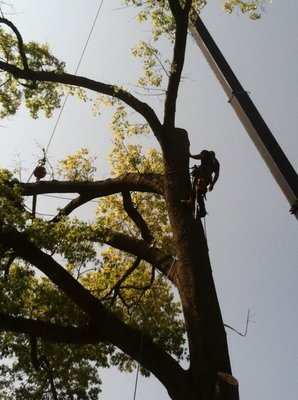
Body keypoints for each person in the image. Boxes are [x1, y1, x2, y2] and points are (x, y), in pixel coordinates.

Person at [189, 150, 220, 218]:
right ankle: (201, 209)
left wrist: (191, 156)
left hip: (202, 173)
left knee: (196, 189)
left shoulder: (206, 152)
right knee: (199, 191)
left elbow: (200, 156)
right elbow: (217, 174)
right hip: (208, 178)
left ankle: (198, 207)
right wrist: (212, 184)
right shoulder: (216, 162)